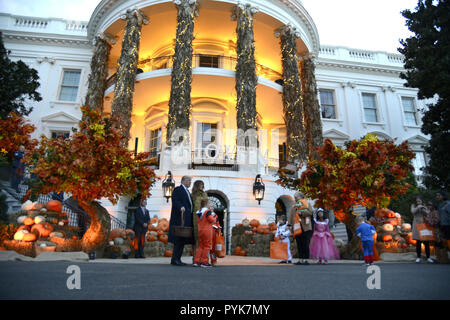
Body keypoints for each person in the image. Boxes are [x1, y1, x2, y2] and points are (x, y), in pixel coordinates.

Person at [168, 175, 194, 266]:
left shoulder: (187, 191)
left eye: (190, 181)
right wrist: (181, 207)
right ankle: (174, 259)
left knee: (182, 240)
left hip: (186, 219)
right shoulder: (178, 189)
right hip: (180, 219)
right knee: (178, 240)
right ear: (183, 180)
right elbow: (175, 200)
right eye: (189, 181)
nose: (190, 183)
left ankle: (178, 259)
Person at [289, 191, 313, 265]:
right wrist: (290, 226)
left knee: (305, 243)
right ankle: (300, 259)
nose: (295, 198)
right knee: (299, 244)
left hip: (305, 227)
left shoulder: (306, 204)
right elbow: (291, 216)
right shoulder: (294, 206)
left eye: (297, 197)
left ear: (302, 197)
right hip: (297, 227)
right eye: (295, 197)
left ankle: (306, 259)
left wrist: (301, 213)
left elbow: (310, 212)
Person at [193, 199, 216, 267]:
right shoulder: (207, 211)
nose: (211, 205)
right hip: (207, 231)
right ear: (206, 204)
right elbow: (211, 220)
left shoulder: (199, 211)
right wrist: (214, 217)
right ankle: (204, 262)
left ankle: (196, 261)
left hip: (200, 230)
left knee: (200, 246)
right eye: (210, 203)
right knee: (207, 246)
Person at [411, 197, 433, 263]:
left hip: (424, 226)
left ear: (422, 201)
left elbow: (428, 213)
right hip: (417, 226)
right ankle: (418, 257)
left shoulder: (424, 206)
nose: (418, 203)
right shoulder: (413, 206)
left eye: (419, 201)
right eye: (417, 201)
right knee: (418, 242)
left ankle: (428, 257)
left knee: (426, 242)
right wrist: (418, 207)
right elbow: (413, 211)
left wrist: (423, 208)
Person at [191, 180, 208, 259]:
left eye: (202, 184)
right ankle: (195, 257)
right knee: (195, 238)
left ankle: (201, 257)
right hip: (194, 217)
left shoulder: (204, 194)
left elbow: (206, 205)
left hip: (202, 217)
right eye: (200, 184)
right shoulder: (192, 195)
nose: (202, 186)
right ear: (197, 185)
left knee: (202, 237)